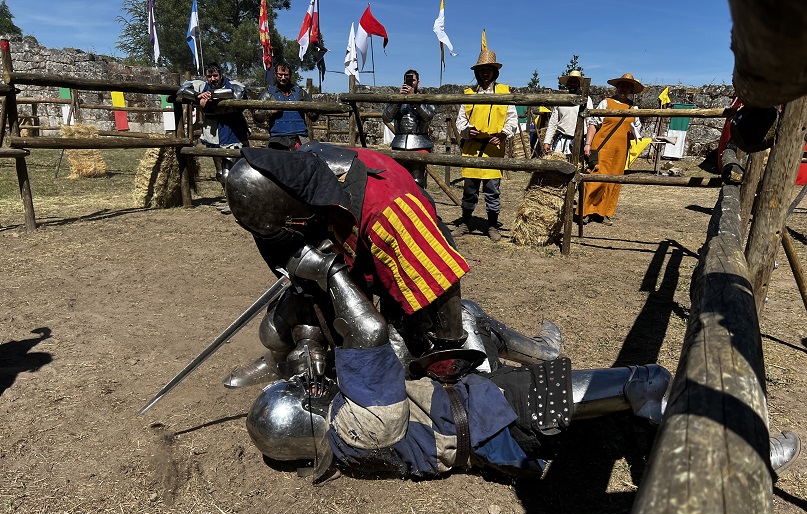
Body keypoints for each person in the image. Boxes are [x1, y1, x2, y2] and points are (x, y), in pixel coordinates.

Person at [242, 239, 802, 481]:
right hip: (503, 419)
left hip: (478, 404)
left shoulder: (344, 434)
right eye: (303, 396)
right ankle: (740, 454)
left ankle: (553, 360)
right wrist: (329, 272)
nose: (309, 387)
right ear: (308, 417)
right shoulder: (362, 423)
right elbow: (370, 335)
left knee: (468, 320)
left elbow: (331, 355)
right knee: (646, 379)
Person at [221, 143, 565, 389]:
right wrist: (307, 335)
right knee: (282, 321)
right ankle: (277, 360)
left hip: (407, 263)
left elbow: (440, 282)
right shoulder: (289, 175)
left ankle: (541, 353)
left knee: (398, 359)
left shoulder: (390, 210)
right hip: (349, 258)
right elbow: (289, 254)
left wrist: (448, 350)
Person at [453, 48, 519, 242]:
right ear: (477, 72)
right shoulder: (468, 93)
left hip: (493, 148)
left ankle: (492, 226)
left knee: (492, 190)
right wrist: (467, 131)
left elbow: (511, 119)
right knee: (469, 190)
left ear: (494, 71)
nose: (485, 72)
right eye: (482, 69)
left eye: (489, 69)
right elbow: (460, 120)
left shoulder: (504, 92)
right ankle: (465, 223)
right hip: (473, 148)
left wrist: (504, 134)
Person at [581, 73, 643, 226]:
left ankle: (604, 213)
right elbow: (593, 124)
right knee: (595, 178)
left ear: (631, 89)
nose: (624, 88)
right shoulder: (606, 103)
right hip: (602, 147)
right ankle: (585, 211)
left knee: (614, 182)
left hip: (620, 151)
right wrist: (588, 144)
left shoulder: (634, 108)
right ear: (617, 86)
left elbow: (637, 129)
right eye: (622, 85)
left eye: (627, 86)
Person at [176, 63, 250, 188]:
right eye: (209, 76)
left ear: (221, 75)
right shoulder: (202, 86)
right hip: (213, 131)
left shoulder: (233, 85)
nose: (212, 79)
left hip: (233, 129)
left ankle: (239, 200)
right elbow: (181, 90)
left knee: (237, 170)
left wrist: (212, 96)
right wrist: (197, 96)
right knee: (221, 172)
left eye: (215, 75)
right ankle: (227, 198)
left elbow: (238, 96)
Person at [382, 69, 435, 188]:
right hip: (399, 143)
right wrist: (398, 100)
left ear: (418, 83)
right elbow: (386, 117)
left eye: (414, 80)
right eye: (408, 80)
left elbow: (428, 117)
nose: (411, 83)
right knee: (398, 181)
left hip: (419, 143)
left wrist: (415, 100)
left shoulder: (426, 99)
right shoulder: (397, 99)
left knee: (417, 181)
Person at [253, 60, 318, 150]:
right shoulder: (269, 93)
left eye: (286, 75)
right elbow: (256, 116)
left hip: (300, 138)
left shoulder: (299, 93)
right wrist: (271, 111)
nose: (283, 78)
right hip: (277, 139)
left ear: (290, 75)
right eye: (280, 75)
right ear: (276, 74)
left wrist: (306, 108)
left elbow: (314, 116)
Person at [542, 70, 594, 161]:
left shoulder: (586, 100)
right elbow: (553, 122)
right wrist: (547, 141)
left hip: (580, 141)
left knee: (577, 168)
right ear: (567, 84)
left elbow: (590, 122)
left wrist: (588, 144)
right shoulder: (561, 100)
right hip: (561, 141)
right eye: (571, 82)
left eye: (575, 82)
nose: (573, 84)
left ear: (579, 84)